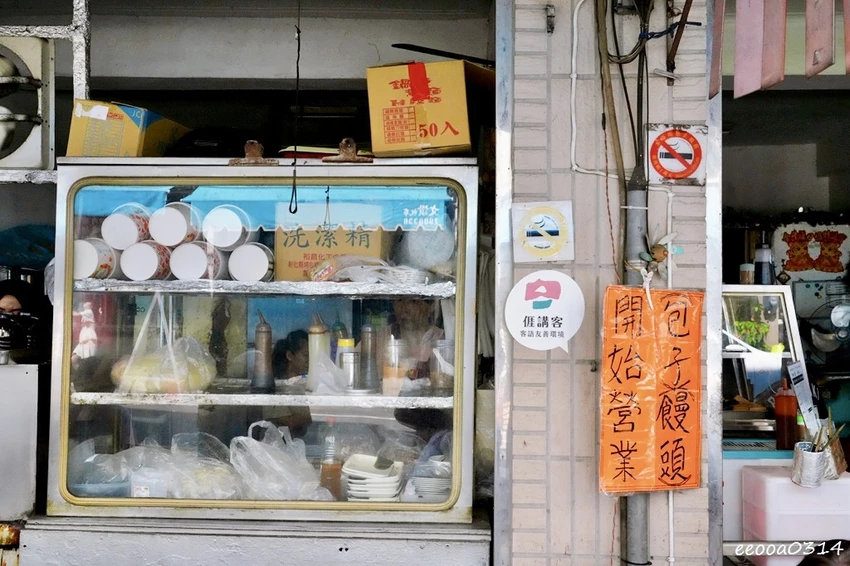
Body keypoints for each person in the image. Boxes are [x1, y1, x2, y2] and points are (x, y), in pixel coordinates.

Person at [264, 329, 312, 437]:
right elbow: (290, 424)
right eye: (306, 355)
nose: (310, 360)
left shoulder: (304, 383)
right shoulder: (278, 388)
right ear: (290, 355)